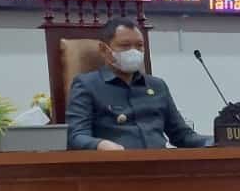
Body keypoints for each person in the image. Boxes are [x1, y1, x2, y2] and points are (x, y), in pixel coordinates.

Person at [66, 17, 208, 150]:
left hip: (161, 163)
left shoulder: (157, 86)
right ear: (104, 50)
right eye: (125, 46)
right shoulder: (87, 85)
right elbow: (76, 136)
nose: (133, 51)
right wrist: (99, 145)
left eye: (139, 46)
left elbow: (182, 135)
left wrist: (215, 141)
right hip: (115, 163)